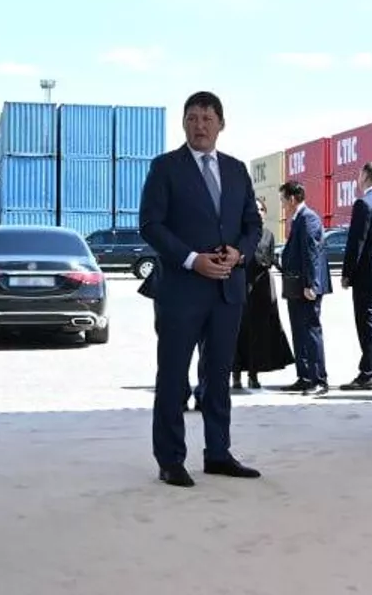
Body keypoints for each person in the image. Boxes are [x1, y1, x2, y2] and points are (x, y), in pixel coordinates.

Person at [139, 91, 264, 488]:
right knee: (173, 376)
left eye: (207, 118)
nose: (200, 125)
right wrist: (193, 259)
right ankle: (170, 459)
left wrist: (239, 253)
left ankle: (218, 453)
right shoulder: (165, 168)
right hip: (181, 290)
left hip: (227, 290)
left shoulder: (236, 170)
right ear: (183, 123)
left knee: (218, 374)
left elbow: (252, 224)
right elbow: (151, 225)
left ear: (221, 124)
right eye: (192, 118)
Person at [231, 198, 294, 391]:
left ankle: (254, 374)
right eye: (255, 209)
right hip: (242, 285)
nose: (258, 212)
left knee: (259, 332)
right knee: (238, 331)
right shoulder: (238, 233)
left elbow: (270, 258)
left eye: (261, 209)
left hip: (262, 288)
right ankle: (236, 374)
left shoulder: (268, 234)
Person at [340, 161, 372, 390]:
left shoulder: (363, 203)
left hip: (366, 274)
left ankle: (367, 374)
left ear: (364, 176)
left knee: (367, 323)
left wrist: (347, 273)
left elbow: (356, 242)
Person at [279, 181, 332, 393]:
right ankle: (304, 376)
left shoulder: (308, 218)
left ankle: (318, 380)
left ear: (292, 199)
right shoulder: (298, 218)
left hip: (306, 287)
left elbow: (312, 253)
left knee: (310, 331)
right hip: (296, 286)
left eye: (283, 200)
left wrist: (311, 284)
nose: (283, 205)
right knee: (299, 331)